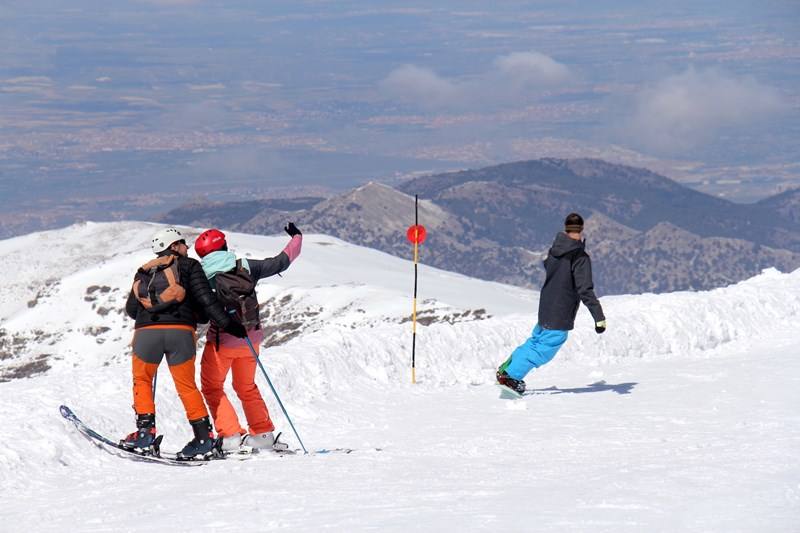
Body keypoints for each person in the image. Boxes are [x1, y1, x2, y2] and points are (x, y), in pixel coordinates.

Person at [123, 227, 248, 459]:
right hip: (180, 333)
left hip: (145, 334)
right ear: (173, 246)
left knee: (142, 380)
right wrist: (230, 325)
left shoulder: (144, 271)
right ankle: (203, 439)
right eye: (182, 243)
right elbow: (207, 300)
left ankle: (144, 435)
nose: (187, 247)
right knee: (186, 386)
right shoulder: (190, 266)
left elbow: (132, 309)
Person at [193, 222, 303, 452]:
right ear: (224, 246)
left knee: (213, 387)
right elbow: (282, 261)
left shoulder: (200, 276)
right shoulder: (245, 266)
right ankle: (263, 433)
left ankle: (231, 436)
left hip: (221, 341)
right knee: (246, 386)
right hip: (251, 339)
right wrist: (296, 236)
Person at [496, 213, 606, 395]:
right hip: (560, 309)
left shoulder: (555, 249)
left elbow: (548, 265)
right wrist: (599, 317)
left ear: (566, 228)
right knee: (545, 348)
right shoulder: (579, 257)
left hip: (546, 304)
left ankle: (507, 369)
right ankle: (510, 378)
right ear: (582, 229)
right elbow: (585, 289)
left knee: (537, 341)